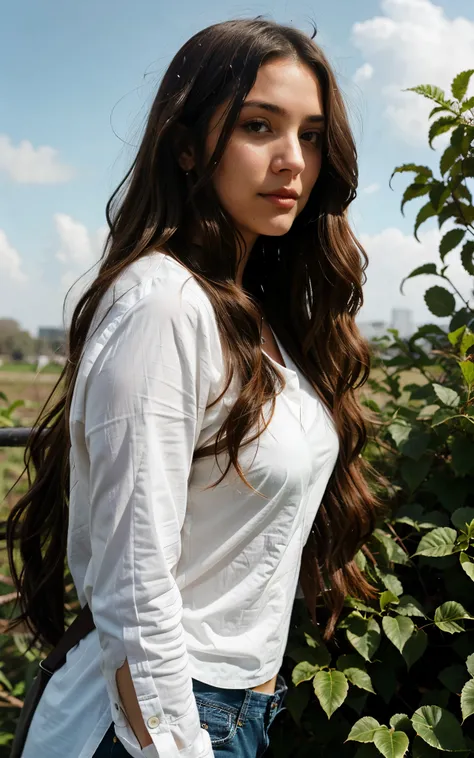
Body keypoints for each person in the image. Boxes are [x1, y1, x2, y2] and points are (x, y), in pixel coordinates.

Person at [7, 16, 378, 758]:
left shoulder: (253, 314)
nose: (291, 161)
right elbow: (134, 584)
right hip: (153, 724)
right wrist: (179, 744)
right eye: (257, 125)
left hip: (233, 711)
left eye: (308, 134)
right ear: (185, 145)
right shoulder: (163, 304)